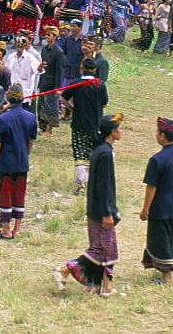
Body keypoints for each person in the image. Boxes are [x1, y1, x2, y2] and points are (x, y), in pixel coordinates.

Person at [54, 113, 123, 297]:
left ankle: (104, 286)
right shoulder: (105, 153)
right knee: (102, 249)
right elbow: (103, 185)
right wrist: (108, 212)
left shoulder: (100, 149)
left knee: (108, 249)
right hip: (102, 210)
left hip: (96, 207)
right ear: (112, 132)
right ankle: (65, 270)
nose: (121, 131)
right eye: (119, 128)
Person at [139, 117, 173, 285]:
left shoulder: (157, 159)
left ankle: (166, 276)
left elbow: (151, 187)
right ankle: (170, 269)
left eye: (157, 132)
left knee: (160, 239)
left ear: (162, 136)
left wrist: (145, 209)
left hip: (160, 206)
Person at [0, 84, 37, 239]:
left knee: (6, 194)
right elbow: (30, 142)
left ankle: (6, 229)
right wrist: (25, 156)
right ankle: (17, 228)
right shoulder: (31, 117)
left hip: (6, 162)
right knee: (19, 194)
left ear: (8, 99)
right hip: (22, 162)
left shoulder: (3, 118)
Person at [61, 58, 108, 195]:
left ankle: (82, 184)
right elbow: (104, 104)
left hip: (79, 123)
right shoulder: (100, 84)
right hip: (96, 124)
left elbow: (63, 99)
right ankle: (95, 183)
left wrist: (72, 108)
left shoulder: (75, 83)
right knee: (94, 153)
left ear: (82, 69)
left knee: (80, 153)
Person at [37, 26, 65, 135]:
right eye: (46, 34)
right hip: (44, 81)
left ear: (55, 37)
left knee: (50, 107)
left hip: (52, 83)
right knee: (41, 105)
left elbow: (60, 71)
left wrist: (58, 88)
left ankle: (49, 129)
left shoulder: (59, 52)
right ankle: (42, 127)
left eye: (49, 35)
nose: (46, 36)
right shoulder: (44, 49)